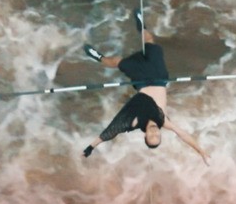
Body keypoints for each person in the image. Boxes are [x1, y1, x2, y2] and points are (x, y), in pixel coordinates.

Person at [81, 10, 209, 164]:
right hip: (159, 76)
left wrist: (91, 147)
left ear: (145, 135)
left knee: (116, 61)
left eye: (151, 137)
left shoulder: (135, 122)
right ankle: (141, 26)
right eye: (158, 136)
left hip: (141, 79)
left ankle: (98, 57)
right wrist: (201, 151)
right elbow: (183, 135)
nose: (155, 133)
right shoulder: (164, 121)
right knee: (149, 41)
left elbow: (111, 131)